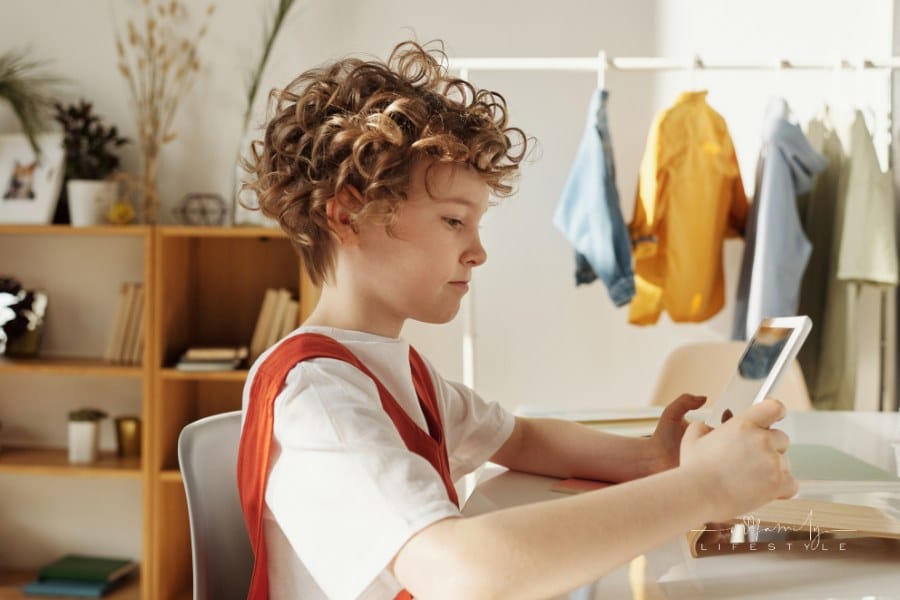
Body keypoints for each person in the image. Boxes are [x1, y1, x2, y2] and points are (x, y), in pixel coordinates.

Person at [237, 40, 797, 600]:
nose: (478, 251)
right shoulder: (317, 398)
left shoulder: (397, 370)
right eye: (454, 220)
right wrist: (704, 487)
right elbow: (461, 573)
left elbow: (520, 437)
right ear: (348, 216)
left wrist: (649, 457)